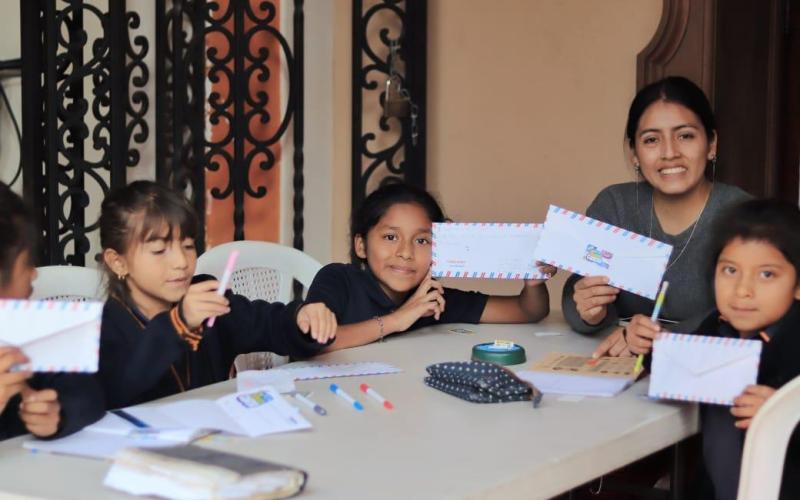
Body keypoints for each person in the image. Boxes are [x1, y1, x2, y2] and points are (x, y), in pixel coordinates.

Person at [97, 181, 337, 408]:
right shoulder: (104, 327)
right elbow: (118, 388)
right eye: (160, 251)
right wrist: (178, 324)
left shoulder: (207, 297)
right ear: (118, 262)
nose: (181, 261)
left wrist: (302, 318)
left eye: (188, 246)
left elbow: (266, 323)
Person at [561, 76, 750, 358]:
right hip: (620, 371)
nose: (670, 153)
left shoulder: (743, 216)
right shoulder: (615, 205)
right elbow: (576, 293)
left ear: (711, 144)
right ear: (634, 153)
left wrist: (662, 340)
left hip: (706, 371)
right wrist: (590, 312)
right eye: (651, 140)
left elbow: (755, 316)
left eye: (685, 135)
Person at [306, 182, 555, 350]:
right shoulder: (338, 280)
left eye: (422, 240)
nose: (405, 253)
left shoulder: (434, 301)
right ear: (361, 245)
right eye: (390, 237)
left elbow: (528, 311)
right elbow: (313, 341)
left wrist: (533, 281)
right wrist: (397, 320)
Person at [687, 199, 800, 500]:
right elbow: (682, 368)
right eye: (729, 270)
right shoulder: (716, 326)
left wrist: (784, 416)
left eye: (766, 275)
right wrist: (649, 345)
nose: (742, 290)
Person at [0, 182, 104, 439]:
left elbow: (86, 392)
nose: (34, 274)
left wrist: (58, 414)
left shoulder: (27, 323)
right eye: (27, 263)